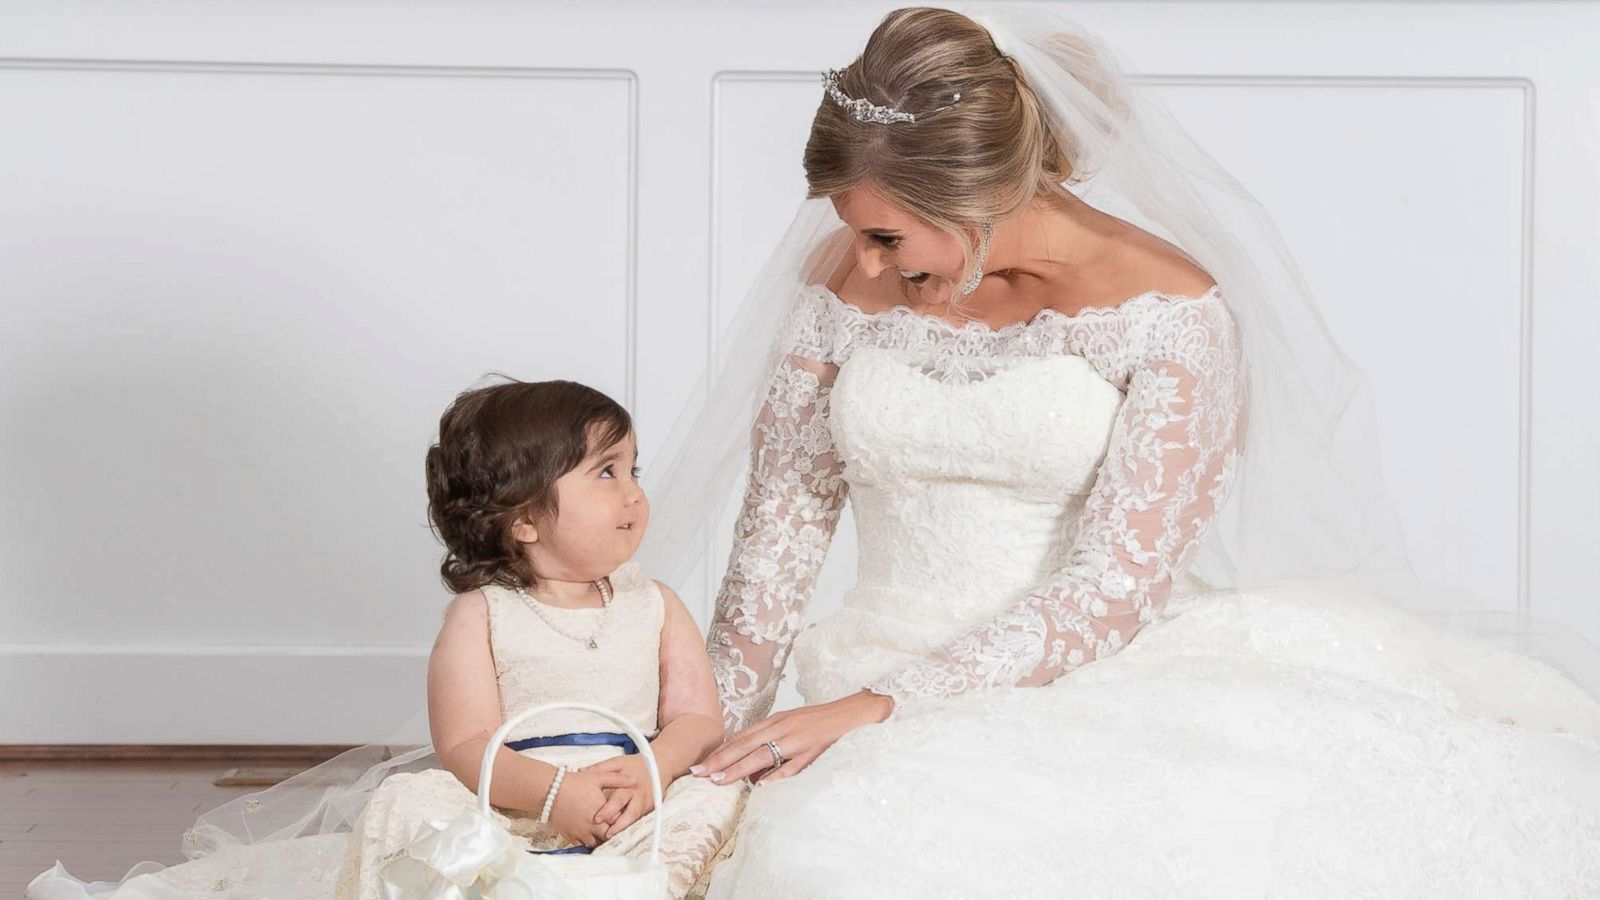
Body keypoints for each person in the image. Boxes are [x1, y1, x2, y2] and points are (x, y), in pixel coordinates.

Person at [617, 5, 1600, 897]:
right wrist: (703, 740)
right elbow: (773, 551)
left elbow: (1113, 586)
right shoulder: (845, 282)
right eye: (853, 235)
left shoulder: (1171, 311)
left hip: (1089, 676)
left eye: (886, 238)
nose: (860, 266)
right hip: (860, 666)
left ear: (977, 191)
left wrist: (882, 708)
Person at [29, 378, 746, 899]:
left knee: (721, 801)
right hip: (513, 803)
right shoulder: (484, 615)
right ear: (523, 518)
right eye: (607, 473)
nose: (634, 493)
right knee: (406, 806)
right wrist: (555, 795)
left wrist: (653, 775)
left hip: (632, 801)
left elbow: (697, 717)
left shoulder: (656, 605)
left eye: (634, 469)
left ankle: (633, 886)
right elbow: (467, 743)